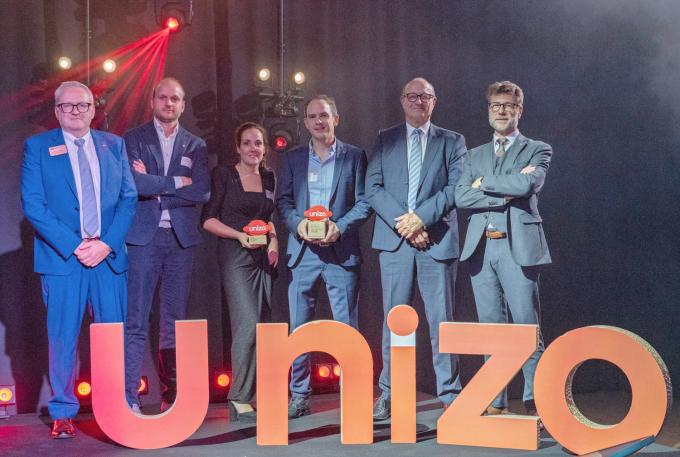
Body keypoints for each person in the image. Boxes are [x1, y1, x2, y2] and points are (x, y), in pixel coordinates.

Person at [20, 81, 137, 438]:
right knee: (63, 337)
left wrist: (107, 244)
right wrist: (75, 245)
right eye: (67, 106)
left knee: (112, 336)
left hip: (108, 259)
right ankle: (63, 412)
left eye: (82, 105)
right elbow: (33, 204)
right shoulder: (38, 147)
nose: (75, 111)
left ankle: (114, 410)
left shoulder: (113, 145)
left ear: (92, 109)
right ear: (57, 111)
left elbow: (129, 198)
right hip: (63, 260)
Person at [366, 77, 466, 420]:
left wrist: (421, 220)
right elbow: (373, 188)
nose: (418, 101)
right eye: (412, 95)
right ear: (402, 100)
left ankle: (450, 396)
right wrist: (406, 224)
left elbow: (456, 188)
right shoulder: (386, 138)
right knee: (394, 321)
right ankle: (389, 393)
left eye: (425, 96)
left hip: (436, 241)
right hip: (396, 244)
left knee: (442, 322)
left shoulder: (452, 141)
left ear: (434, 101)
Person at [455, 81, 552, 417]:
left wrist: (485, 184)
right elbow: (461, 196)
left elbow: (528, 183)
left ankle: (536, 401)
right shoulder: (474, 155)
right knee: (491, 328)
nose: (501, 111)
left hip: (518, 248)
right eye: (495, 105)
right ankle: (495, 401)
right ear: (488, 110)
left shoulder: (538, 149)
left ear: (519, 110)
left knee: (526, 326)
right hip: (481, 249)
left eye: (508, 105)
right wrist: (506, 189)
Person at [276, 95, 371, 418]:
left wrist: (340, 227)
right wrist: (298, 224)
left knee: (346, 329)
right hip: (303, 253)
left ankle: (353, 395)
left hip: (340, 252)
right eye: (313, 116)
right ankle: (299, 395)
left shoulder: (354, 156)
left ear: (336, 119)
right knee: (299, 329)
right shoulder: (292, 158)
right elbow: (283, 202)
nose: (319, 121)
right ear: (305, 123)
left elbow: (364, 202)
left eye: (325, 116)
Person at [123, 77, 210, 412]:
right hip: (143, 239)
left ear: (183, 105)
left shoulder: (196, 144)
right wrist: (176, 182)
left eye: (175, 98)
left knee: (174, 321)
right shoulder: (134, 138)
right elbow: (135, 184)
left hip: (180, 241)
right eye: (163, 98)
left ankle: (170, 398)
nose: (169, 103)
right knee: (136, 319)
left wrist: (157, 189)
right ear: (152, 101)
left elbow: (201, 191)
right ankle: (129, 397)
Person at [202, 122, 278, 422]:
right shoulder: (224, 174)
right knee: (247, 322)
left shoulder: (269, 177)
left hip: (263, 259)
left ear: (265, 147)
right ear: (238, 147)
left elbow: (268, 219)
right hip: (235, 255)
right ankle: (238, 397)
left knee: (263, 326)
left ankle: (256, 393)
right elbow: (208, 220)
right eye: (247, 143)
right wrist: (238, 236)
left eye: (258, 143)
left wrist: (274, 240)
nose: (252, 148)